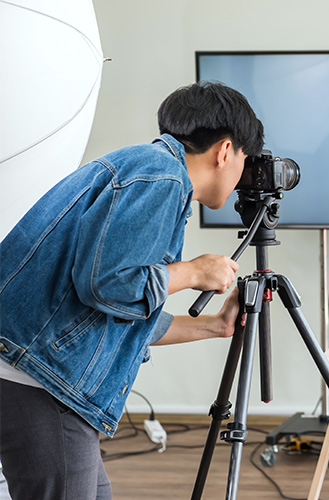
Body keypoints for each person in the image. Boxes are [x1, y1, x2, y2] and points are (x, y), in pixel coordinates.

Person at [0, 81, 264, 500]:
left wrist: (215, 326)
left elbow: (112, 314)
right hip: (43, 385)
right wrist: (194, 272)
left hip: (41, 376)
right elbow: (109, 285)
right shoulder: (162, 176)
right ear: (226, 151)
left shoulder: (146, 167)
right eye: (245, 160)